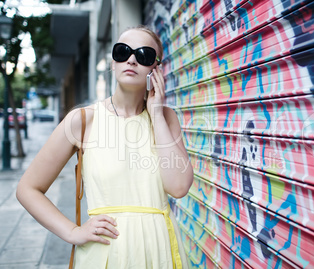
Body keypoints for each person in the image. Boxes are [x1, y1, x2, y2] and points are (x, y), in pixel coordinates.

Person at [16, 25, 193, 268]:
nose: (131, 59)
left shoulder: (166, 118)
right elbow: (28, 188)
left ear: (156, 69)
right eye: (123, 51)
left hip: (158, 250)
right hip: (105, 253)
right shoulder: (83, 120)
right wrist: (71, 232)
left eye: (143, 55)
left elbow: (179, 186)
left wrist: (157, 115)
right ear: (112, 62)